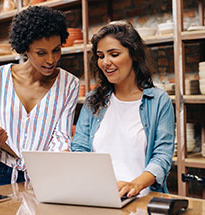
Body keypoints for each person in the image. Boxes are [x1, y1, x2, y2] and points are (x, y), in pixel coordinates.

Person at [0, 6, 79, 187]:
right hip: (0, 174)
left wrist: (63, 160)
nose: (51, 60)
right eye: (41, 53)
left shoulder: (69, 83)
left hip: (45, 176)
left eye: (56, 50)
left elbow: (61, 136)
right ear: (25, 49)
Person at [71, 21, 174, 197]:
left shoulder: (158, 101)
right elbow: (79, 148)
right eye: (101, 56)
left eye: (114, 54)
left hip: (141, 197)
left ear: (133, 54)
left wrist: (135, 185)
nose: (105, 62)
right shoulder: (93, 99)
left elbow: (162, 156)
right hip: (98, 196)